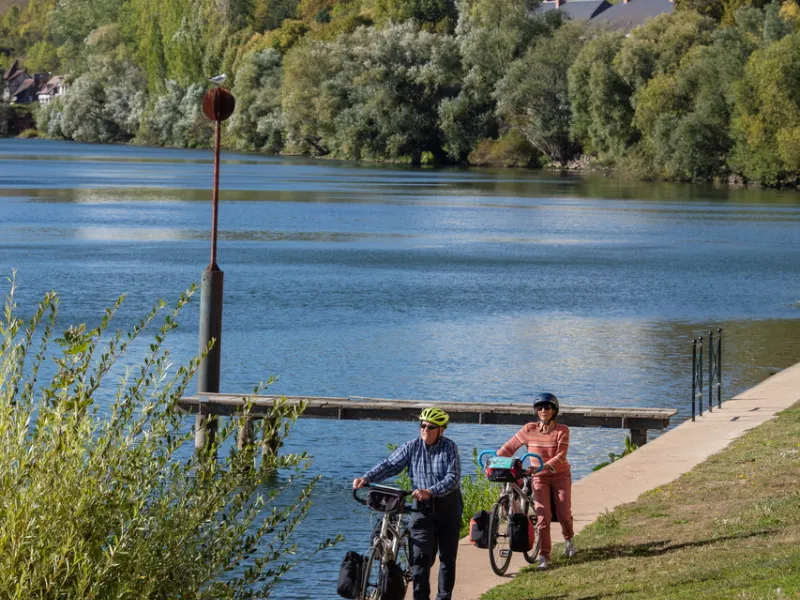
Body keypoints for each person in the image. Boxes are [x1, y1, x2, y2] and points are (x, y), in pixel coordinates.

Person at [353, 407, 462, 600]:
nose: (425, 430)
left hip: (448, 506)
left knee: (447, 558)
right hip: (421, 508)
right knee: (419, 559)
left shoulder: (449, 447)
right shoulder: (412, 446)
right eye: (422, 426)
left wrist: (431, 491)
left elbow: (453, 477)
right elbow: (390, 464)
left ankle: (443, 597)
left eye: (430, 427)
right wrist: (367, 478)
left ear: (441, 430)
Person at [497, 392, 576, 570]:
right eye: (539, 408)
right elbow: (509, 447)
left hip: (560, 476)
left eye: (547, 407)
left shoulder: (562, 430)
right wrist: (496, 460)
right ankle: (544, 556)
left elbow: (561, 456)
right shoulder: (529, 429)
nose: (543, 411)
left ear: (554, 410)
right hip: (539, 478)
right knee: (543, 518)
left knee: (563, 515)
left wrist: (542, 466)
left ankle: (569, 539)